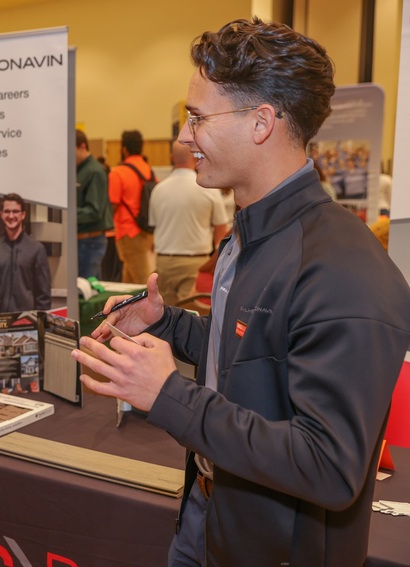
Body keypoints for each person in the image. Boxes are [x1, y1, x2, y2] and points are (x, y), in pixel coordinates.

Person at [73, 18, 410, 567]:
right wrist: (167, 323)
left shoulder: (345, 271)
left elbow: (328, 465)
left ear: (261, 123)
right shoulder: (248, 234)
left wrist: (169, 395)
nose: (184, 138)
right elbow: (257, 349)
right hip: (209, 519)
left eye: (197, 118)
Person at [148, 141, 229, 303]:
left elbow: (154, 227)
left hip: (164, 261)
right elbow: (221, 233)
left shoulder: (158, 189)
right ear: (195, 156)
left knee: (164, 316)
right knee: (190, 314)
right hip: (195, 262)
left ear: (171, 157)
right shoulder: (208, 188)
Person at [0, 193, 51, 314]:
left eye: (15, 211)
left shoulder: (37, 250)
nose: (11, 216)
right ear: (1, 214)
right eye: (7, 211)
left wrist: (40, 324)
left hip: (27, 323)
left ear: (23, 215)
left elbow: (43, 295)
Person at [108, 130, 155, 284]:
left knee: (142, 281)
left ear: (124, 149)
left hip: (128, 232)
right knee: (129, 279)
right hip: (147, 231)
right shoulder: (149, 170)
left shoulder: (118, 172)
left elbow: (113, 204)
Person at [75, 129, 113, 279]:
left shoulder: (94, 172)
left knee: (87, 288)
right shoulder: (79, 170)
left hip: (89, 242)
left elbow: (94, 211)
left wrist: (68, 215)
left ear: (82, 147)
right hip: (81, 240)